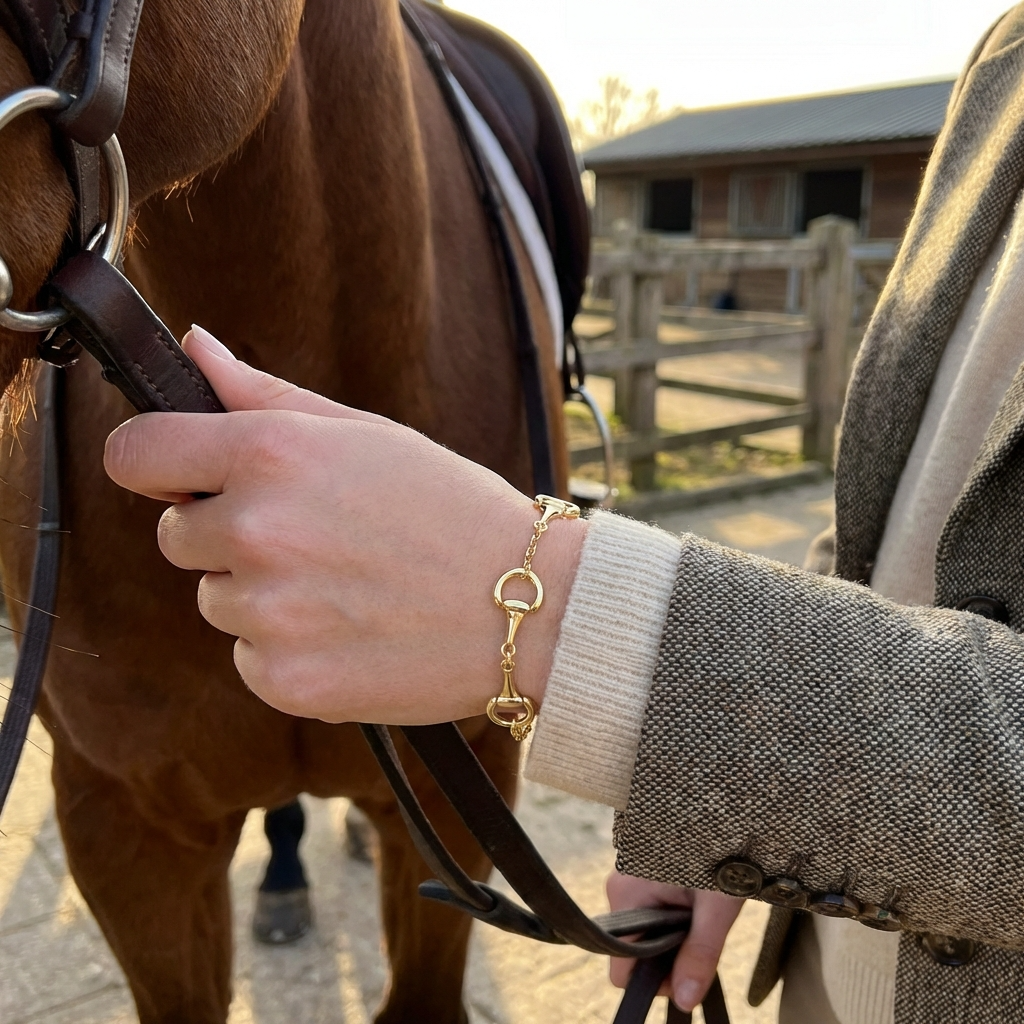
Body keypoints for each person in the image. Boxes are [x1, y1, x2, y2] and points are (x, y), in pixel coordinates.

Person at [103, 8, 1024, 1023]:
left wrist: (563, 616)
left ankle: (555, 347)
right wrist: (749, 785)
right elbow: (889, 508)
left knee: (515, 93)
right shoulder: (1000, 62)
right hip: (827, 963)